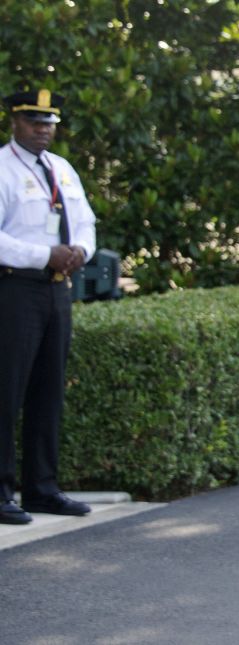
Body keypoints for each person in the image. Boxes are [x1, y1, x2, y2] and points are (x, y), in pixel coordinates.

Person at [1, 89, 96, 525]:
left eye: (50, 123)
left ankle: (42, 488)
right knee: (6, 391)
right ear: (14, 122)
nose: (43, 130)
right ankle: (1, 492)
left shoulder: (62, 169)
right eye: (34, 122)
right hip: (15, 288)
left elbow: (87, 221)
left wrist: (81, 251)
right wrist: (44, 256)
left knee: (48, 391)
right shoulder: (2, 168)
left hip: (58, 289)